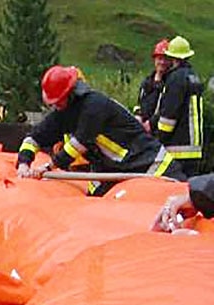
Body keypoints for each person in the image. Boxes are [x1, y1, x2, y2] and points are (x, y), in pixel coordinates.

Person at [17, 65, 187, 196]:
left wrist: (47, 167)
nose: (55, 106)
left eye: (58, 101)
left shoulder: (94, 106)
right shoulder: (62, 113)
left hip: (150, 165)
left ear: (70, 93)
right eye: (53, 103)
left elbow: (80, 143)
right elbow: (34, 137)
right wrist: (24, 163)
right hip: (112, 172)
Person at [156, 36, 204, 177]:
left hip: (177, 148)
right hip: (194, 147)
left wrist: (159, 138)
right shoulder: (193, 76)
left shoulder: (176, 79)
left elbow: (169, 116)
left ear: (172, 58)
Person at [135, 39, 170, 133]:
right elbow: (139, 104)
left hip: (159, 132)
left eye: (166, 59)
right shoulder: (146, 82)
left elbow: (167, 109)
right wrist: (138, 116)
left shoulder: (170, 83)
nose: (162, 62)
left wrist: (150, 124)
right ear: (154, 59)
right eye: (159, 58)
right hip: (143, 130)